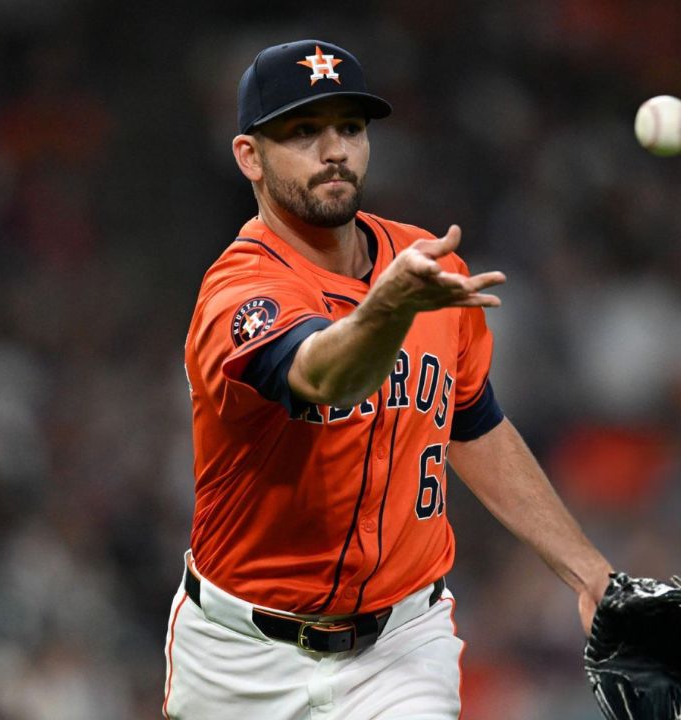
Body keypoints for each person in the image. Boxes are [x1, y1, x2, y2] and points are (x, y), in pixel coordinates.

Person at [163, 39, 613, 719]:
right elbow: (323, 378)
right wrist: (390, 309)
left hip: (401, 646)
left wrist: (590, 574)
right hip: (239, 654)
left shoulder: (424, 265)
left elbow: (471, 422)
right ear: (249, 156)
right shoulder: (238, 288)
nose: (334, 149)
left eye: (349, 127)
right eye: (303, 131)